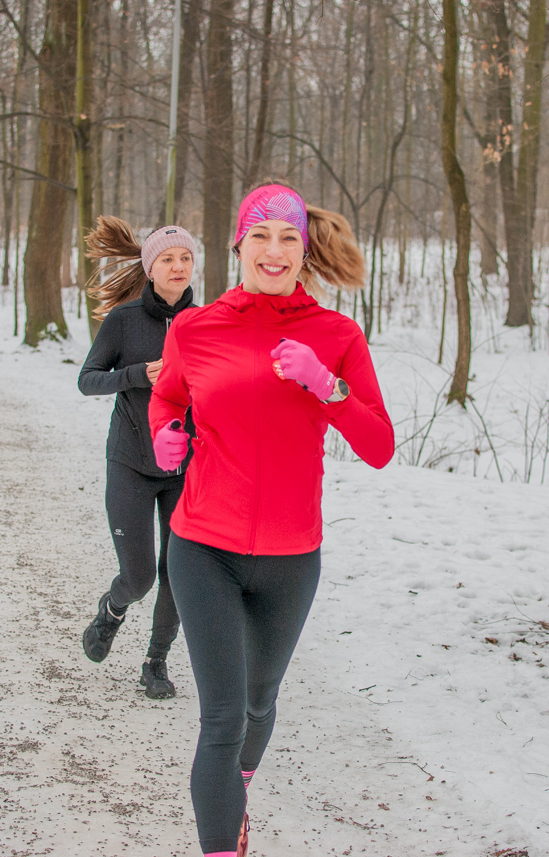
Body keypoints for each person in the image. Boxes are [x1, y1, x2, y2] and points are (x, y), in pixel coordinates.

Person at [149, 183, 394, 857]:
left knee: (259, 706)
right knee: (223, 717)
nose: (274, 249)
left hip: (292, 558)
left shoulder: (337, 336)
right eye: (260, 236)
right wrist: (167, 431)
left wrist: (329, 386)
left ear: (305, 247)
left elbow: (379, 445)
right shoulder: (195, 329)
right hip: (203, 546)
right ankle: (222, 839)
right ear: (239, 246)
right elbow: (168, 396)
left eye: (287, 236)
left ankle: (237, 795)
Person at [78, 217, 199, 699]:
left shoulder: (205, 323)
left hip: (184, 468)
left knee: (177, 572)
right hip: (130, 460)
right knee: (140, 575)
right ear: (150, 268)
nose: (177, 266)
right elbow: (88, 379)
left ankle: (157, 662)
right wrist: (133, 375)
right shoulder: (123, 321)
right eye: (167, 258)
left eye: (185, 258)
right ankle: (112, 609)